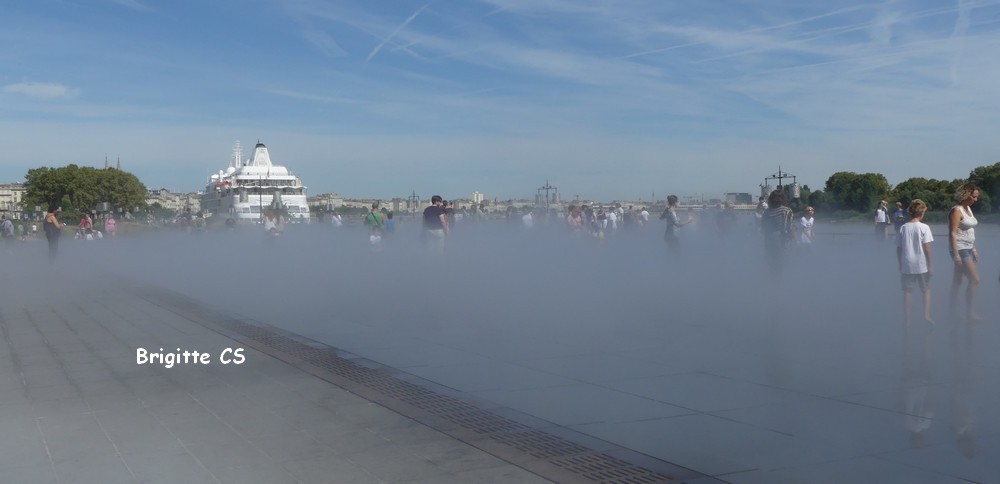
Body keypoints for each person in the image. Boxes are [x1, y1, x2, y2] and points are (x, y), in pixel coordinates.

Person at [897, 200, 934, 325]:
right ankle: (926, 315)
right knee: (926, 289)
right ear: (921, 213)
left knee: (908, 291)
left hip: (907, 264)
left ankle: (907, 319)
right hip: (921, 264)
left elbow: (899, 248)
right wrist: (930, 265)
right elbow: (927, 248)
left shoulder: (903, 228)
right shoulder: (924, 227)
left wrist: (900, 263)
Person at [948, 183, 982, 322]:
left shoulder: (967, 209)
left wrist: (974, 249)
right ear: (967, 195)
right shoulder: (957, 211)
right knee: (975, 280)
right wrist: (956, 255)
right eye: (974, 196)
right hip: (960, 249)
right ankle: (969, 313)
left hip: (968, 247)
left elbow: (969, 230)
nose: (976, 200)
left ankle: (951, 311)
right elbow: (952, 233)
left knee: (957, 282)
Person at [762, 190, 795, 275]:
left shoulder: (767, 211)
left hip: (769, 240)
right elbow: (788, 227)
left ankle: (772, 283)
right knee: (783, 264)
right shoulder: (786, 210)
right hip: (782, 240)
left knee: (772, 265)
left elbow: (763, 227)